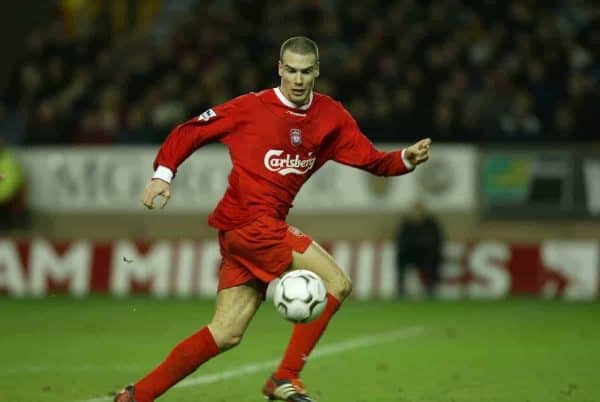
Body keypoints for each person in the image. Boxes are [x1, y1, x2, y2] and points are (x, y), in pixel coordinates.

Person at [114, 36, 431, 402]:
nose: (297, 79)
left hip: (244, 231)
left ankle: (137, 396)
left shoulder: (331, 117)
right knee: (337, 283)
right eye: (291, 71)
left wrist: (405, 158)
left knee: (226, 332)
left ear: (316, 72)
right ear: (280, 69)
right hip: (251, 224)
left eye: (305, 72)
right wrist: (163, 174)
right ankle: (285, 377)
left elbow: (373, 161)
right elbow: (192, 130)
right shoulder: (251, 108)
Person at [395, 201, 443, 298]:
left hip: (426, 254)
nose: (417, 212)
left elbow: (436, 240)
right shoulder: (407, 224)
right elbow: (400, 240)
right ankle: (401, 290)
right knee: (400, 258)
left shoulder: (431, 223)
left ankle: (430, 289)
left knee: (431, 260)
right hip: (410, 254)